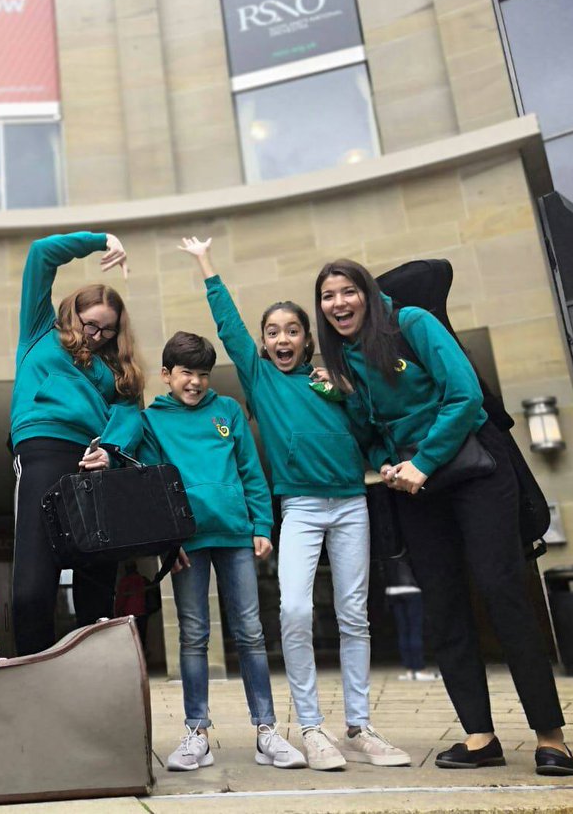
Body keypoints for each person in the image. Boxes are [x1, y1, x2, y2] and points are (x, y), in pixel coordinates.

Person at [314, 258, 573, 776]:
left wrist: (424, 461)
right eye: (327, 296)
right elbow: (369, 432)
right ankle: (480, 737)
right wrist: (385, 463)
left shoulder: (412, 323)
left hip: (475, 469)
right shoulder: (343, 358)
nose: (338, 303)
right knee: (443, 603)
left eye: (347, 291)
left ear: (367, 294)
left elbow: (464, 395)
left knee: (502, 591)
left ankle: (551, 737)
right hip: (414, 485)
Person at [181, 237, 408, 770]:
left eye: (292, 330)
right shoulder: (260, 378)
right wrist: (206, 265)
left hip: (351, 504)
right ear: (264, 343)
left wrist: (347, 394)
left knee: (354, 615)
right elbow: (229, 328)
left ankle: (359, 727)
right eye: (273, 332)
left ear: (307, 340)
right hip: (300, 508)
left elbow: (370, 429)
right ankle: (311, 727)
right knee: (295, 610)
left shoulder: (334, 380)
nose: (282, 338)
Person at [121, 330, 306, 772]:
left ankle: (266, 731)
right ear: (166, 375)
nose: (196, 382)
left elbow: (250, 471)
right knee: (193, 634)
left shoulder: (228, 411)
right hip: (187, 543)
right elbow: (152, 487)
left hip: (236, 535)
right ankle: (197, 734)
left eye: (203, 374)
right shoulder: (151, 421)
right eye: (186, 373)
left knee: (251, 632)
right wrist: (168, 541)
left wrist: (262, 524)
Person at [9, 231, 144, 656]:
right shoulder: (39, 330)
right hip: (43, 450)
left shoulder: (114, 367)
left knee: (97, 581)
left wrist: (112, 451)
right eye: (91, 325)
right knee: (33, 584)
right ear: (73, 313)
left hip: (94, 459)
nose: (98, 336)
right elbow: (40, 253)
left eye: (108, 330)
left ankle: (95, 669)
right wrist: (102, 239)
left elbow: (130, 412)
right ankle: (34, 666)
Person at [381, 553, 438, 681]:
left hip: (393, 589)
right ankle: (419, 668)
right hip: (412, 589)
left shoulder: (387, 547)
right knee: (415, 630)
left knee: (403, 631)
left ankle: (409, 669)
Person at [114, 562, 150, 648]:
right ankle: (143, 654)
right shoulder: (143, 580)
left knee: (131, 641)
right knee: (141, 640)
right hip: (142, 613)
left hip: (129, 615)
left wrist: (117, 614)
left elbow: (120, 600)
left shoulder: (125, 581)